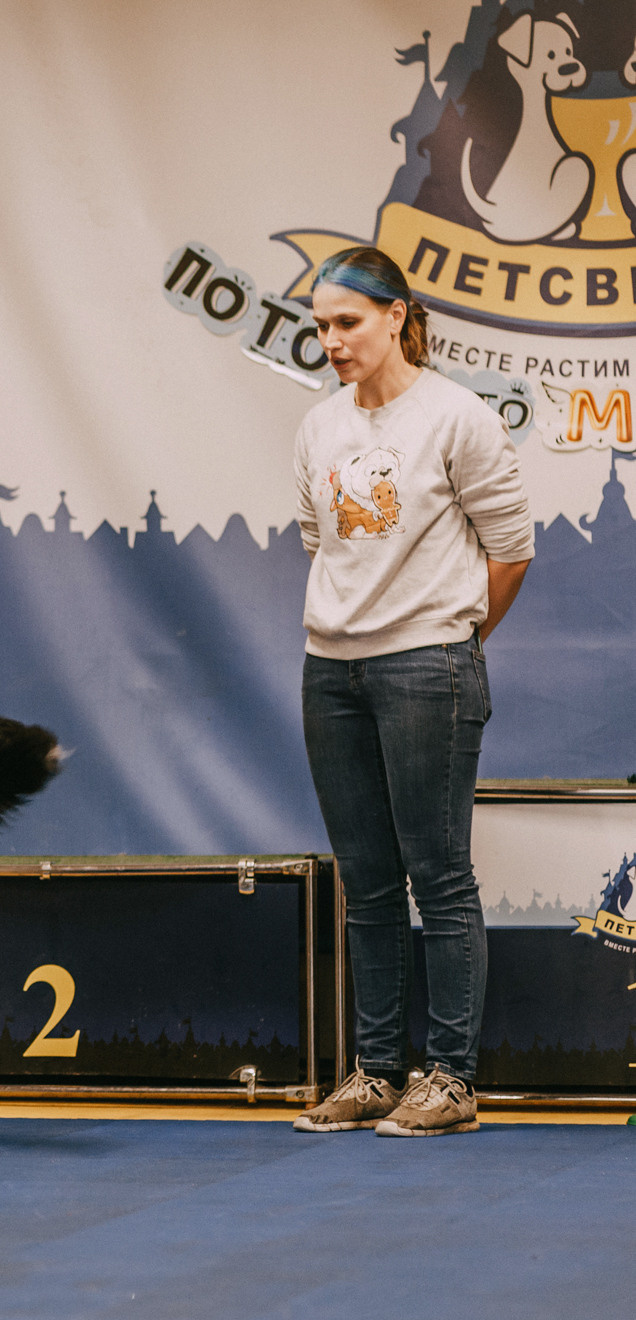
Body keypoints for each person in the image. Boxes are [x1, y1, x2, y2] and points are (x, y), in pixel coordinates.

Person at [288, 247, 532, 1138]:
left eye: (347, 322)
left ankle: (452, 1081)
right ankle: (378, 1073)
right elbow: (322, 543)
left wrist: (451, 643)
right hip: (331, 669)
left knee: (440, 875)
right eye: (321, 325)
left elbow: (511, 550)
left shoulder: (457, 417)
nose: (331, 340)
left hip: (428, 666)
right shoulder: (319, 427)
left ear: (397, 317)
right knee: (367, 879)